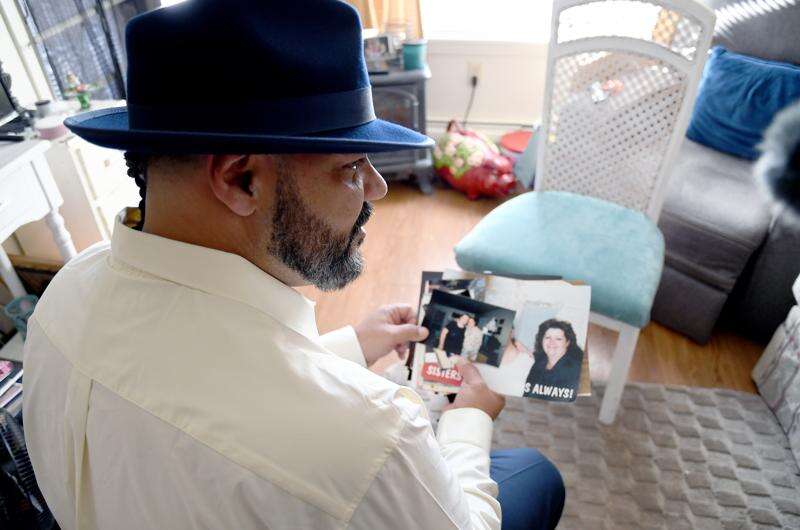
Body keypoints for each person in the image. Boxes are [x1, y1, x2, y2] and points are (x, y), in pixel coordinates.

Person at [22, 2, 564, 529]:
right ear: (241, 180)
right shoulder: (368, 438)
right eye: (351, 166)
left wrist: (352, 345)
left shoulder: (66, 293)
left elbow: (212, 387)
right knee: (535, 473)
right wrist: (470, 417)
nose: (376, 186)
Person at [523, 319, 584, 401]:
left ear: (567, 342)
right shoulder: (537, 364)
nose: (552, 342)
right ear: (541, 340)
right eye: (548, 337)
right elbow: (526, 394)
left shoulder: (575, 371)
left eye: (558, 339)